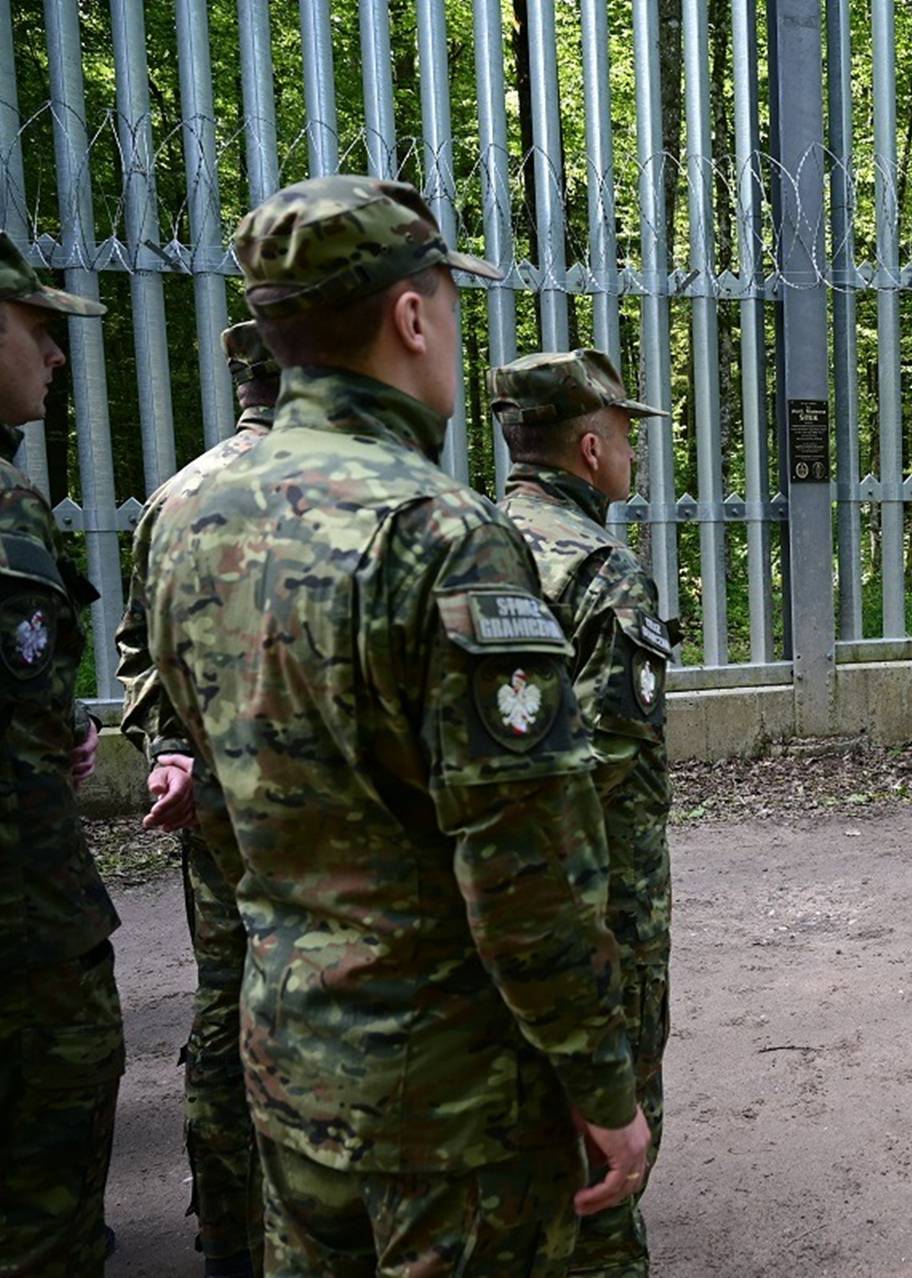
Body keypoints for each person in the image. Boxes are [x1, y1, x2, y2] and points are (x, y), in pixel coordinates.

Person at [144, 175, 651, 1274]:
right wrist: (602, 1079)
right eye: (450, 307)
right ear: (410, 316)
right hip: (449, 1101)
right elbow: (522, 856)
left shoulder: (187, 514)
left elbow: (217, 790)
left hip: (287, 1059)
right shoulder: (437, 531)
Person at [490, 349, 675, 1278]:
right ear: (591, 447)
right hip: (596, 904)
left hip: (488, 900)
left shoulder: (465, 542)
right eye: (629, 437)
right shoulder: (599, 567)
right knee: (613, 1127)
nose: (636, 455)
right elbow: (596, 769)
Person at [115, 321, 279, 1277]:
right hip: (332, 820)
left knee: (227, 1008)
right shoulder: (352, 491)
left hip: (216, 810)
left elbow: (140, 646)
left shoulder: (177, 498)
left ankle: (227, 1234)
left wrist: (169, 748)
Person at [0, 231, 122, 1276]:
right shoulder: (5, 513)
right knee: (47, 1145)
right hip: (22, 919)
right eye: (40, 331)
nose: (54, 358)